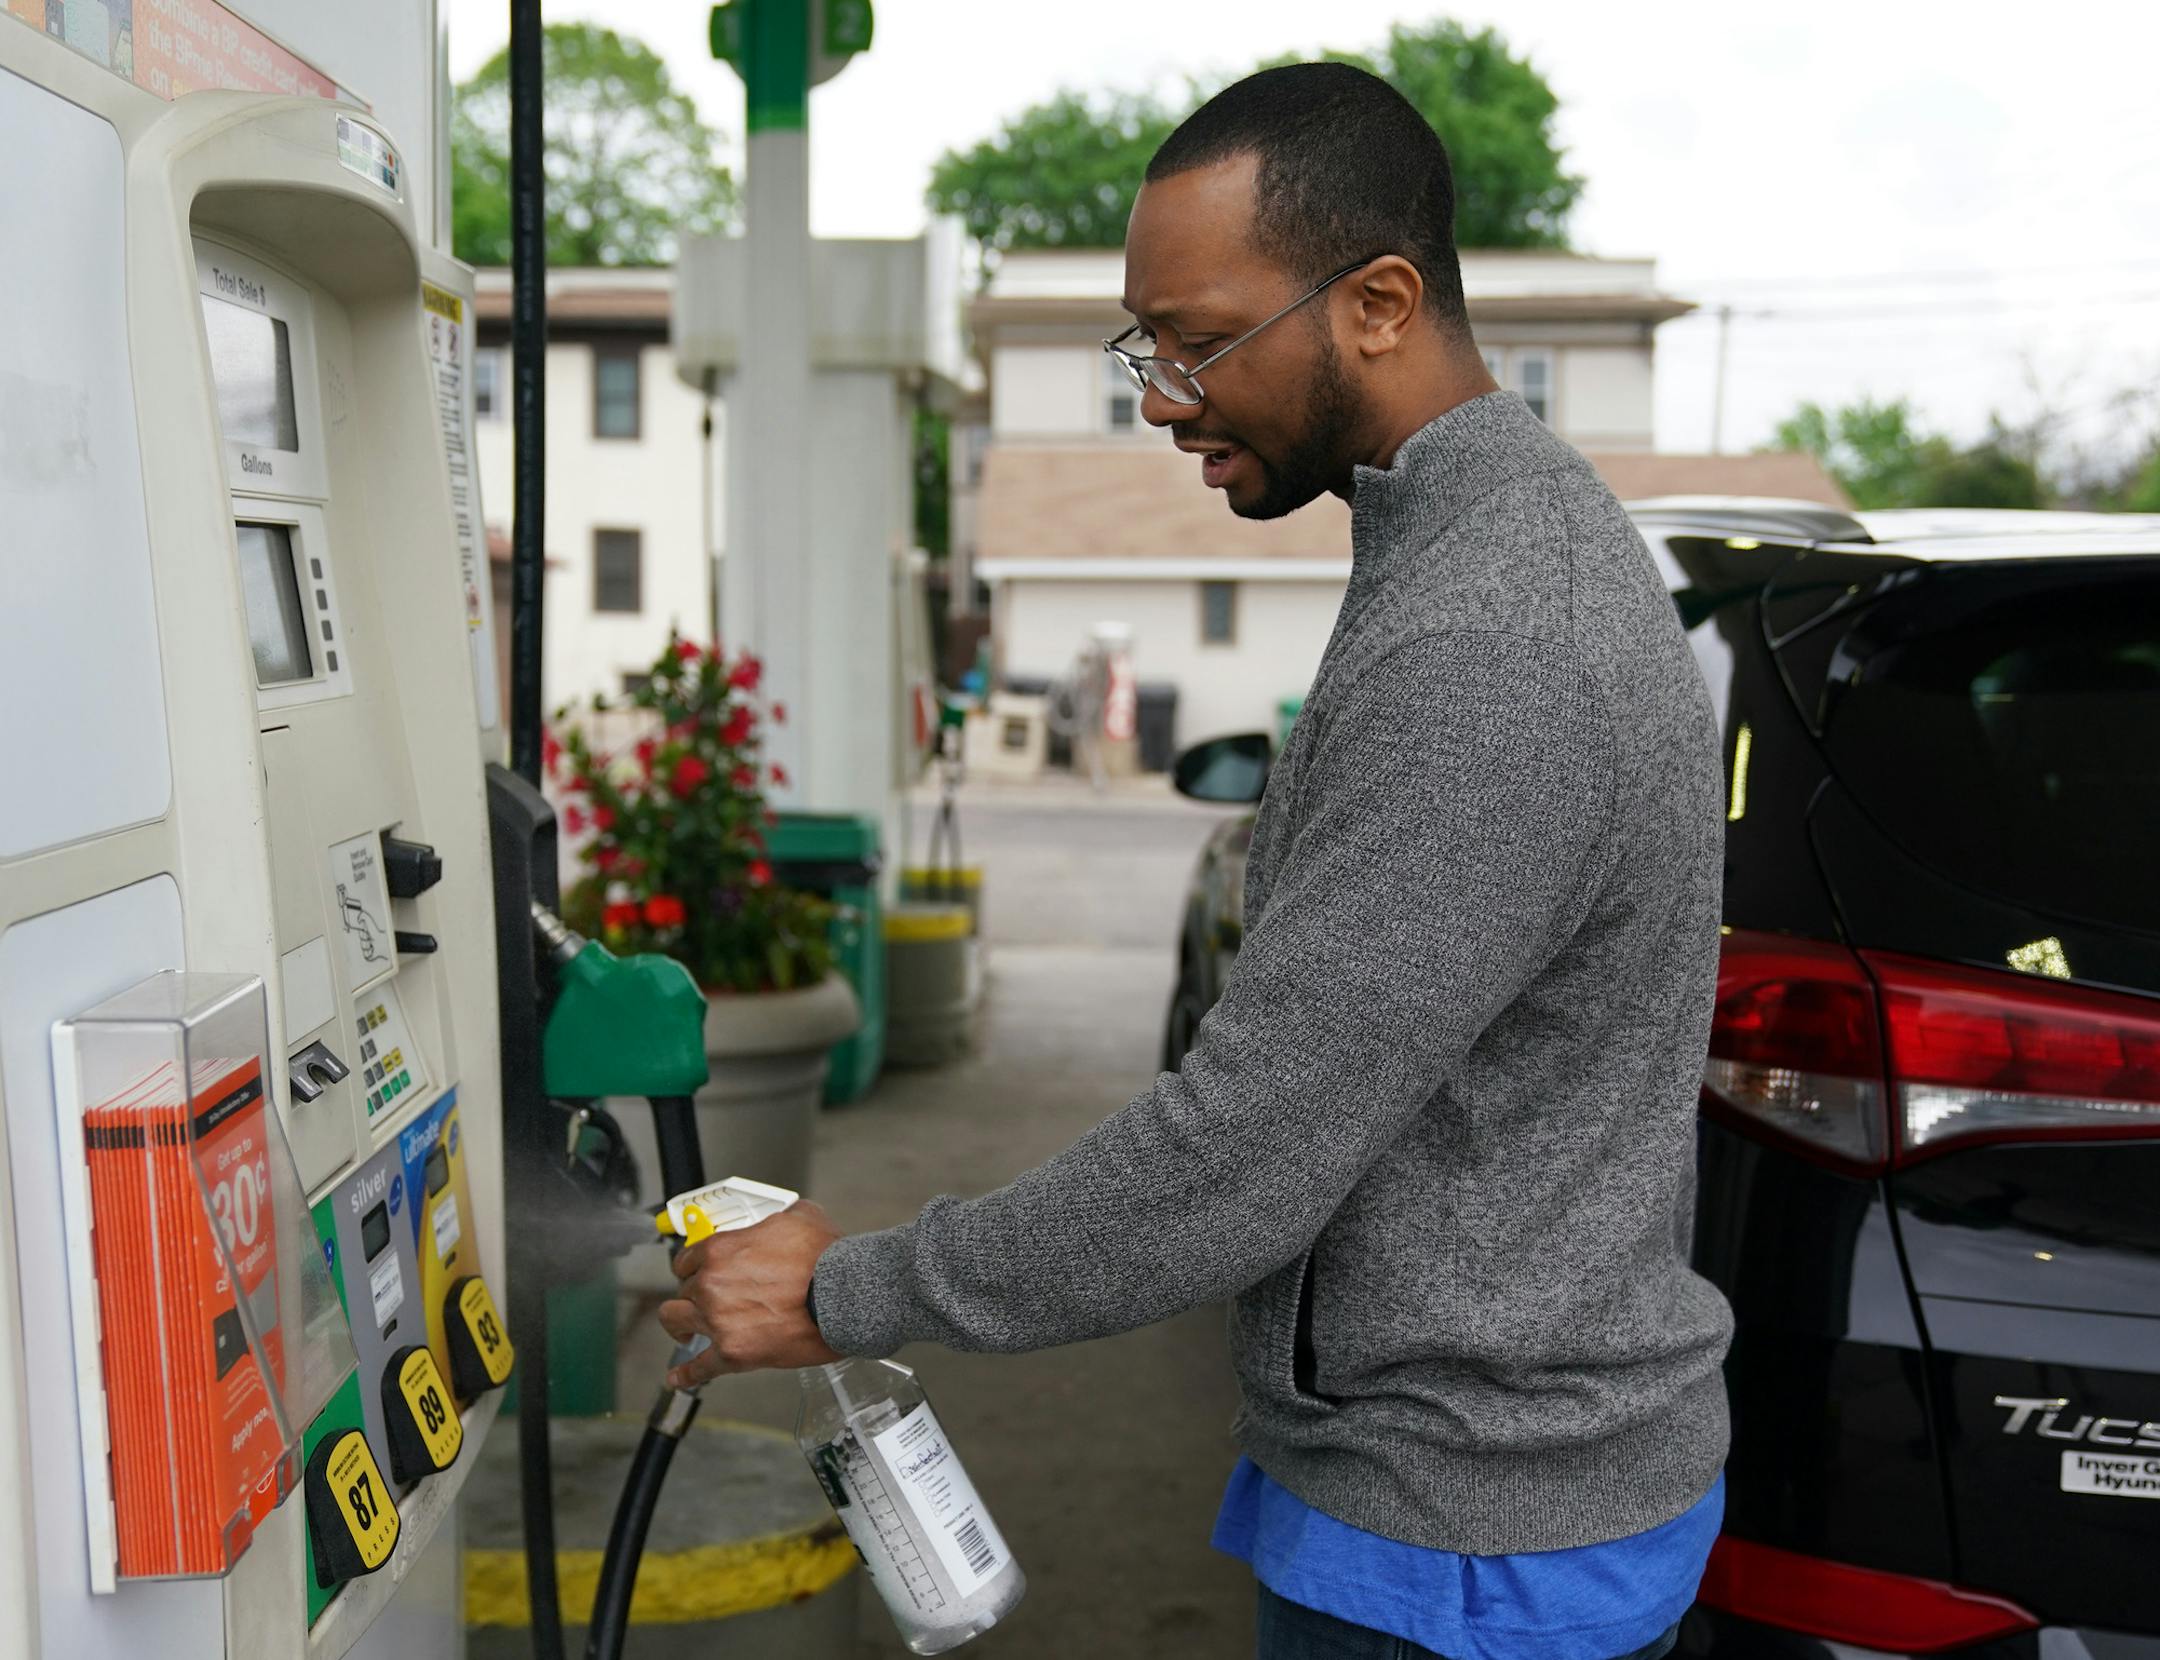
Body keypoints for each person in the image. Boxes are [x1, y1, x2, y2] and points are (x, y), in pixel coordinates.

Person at [658, 61, 1733, 1660]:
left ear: (1377, 302)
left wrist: (851, 1289)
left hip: (1472, 1554)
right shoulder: (1476, 554)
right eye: (1141, 346)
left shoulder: (1493, 643)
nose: (1161, 395)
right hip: (1455, 1497)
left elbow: (1245, 1152)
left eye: (1201, 339)